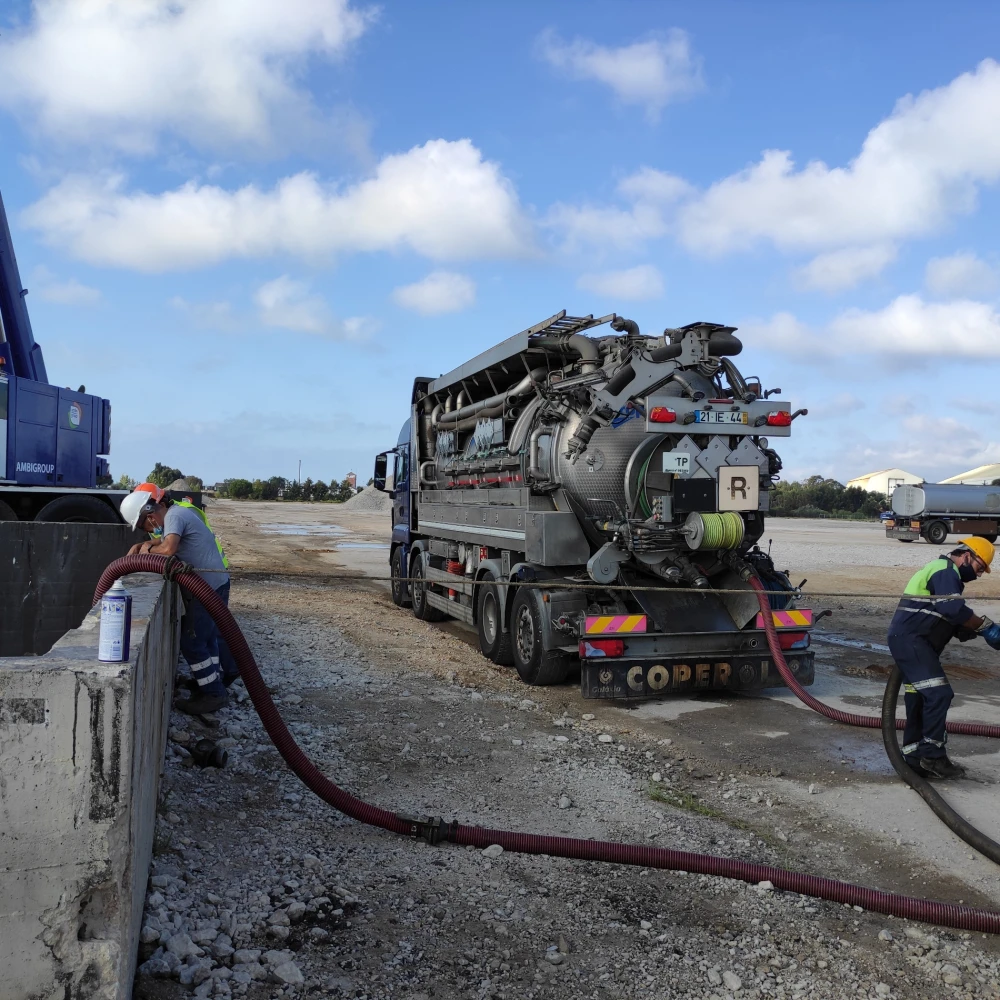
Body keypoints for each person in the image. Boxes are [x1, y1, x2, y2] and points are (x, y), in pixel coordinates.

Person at [887, 537, 1000, 779]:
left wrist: (974, 629)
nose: (979, 575)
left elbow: (952, 620)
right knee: (939, 694)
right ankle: (933, 756)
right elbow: (953, 610)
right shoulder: (944, 570)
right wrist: (986, 626)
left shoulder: (949, 577)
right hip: (912, 642)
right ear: (967, 556)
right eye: (980, 568)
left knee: (918, 698)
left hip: (915, 643)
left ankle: (914, 757)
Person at [120, 484, 235, 715]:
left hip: (208, 589)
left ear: (150, 514)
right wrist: (143, 545)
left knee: (192, 642)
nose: (149, 530)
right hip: (215, 584)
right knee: (208, 637)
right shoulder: (178, 514)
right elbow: (162, 540)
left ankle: (213, 694)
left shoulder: (174, 516)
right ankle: (211, 681)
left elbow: (168, 549)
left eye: (144, 525)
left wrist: (145, 553)